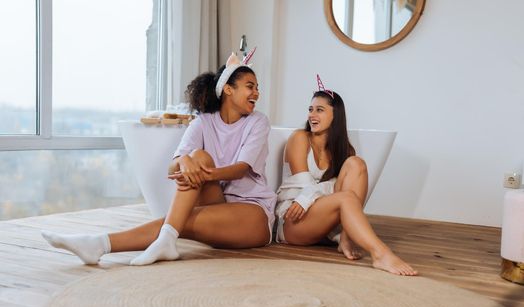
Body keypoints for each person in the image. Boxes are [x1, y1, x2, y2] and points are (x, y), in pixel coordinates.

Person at [42, 49, 277, 266]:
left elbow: (241, 168)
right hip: (216, 206)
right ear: (228, 89)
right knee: (198, 157)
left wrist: (204, 173)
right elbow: (172, 168)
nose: (257, 92)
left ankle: (103, 243)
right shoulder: (202, 123)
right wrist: (185, 161)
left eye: (257, 87)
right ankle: (161, 239)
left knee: (181, 216)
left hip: (251, 212)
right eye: (250, 86)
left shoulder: (258, 122)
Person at [275, 75, 417, 276]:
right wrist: (329, 189)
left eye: (320, 110)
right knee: (346, 197)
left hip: (322, 221)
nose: (312, 115)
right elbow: (303, 192)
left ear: (336, 115)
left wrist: (326, 192)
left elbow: (321, 193)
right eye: (310, 109)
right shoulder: (300, 138)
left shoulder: (343, 150)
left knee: (357, 164)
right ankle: (381, 254)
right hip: (293, 222)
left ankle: (346, 238)